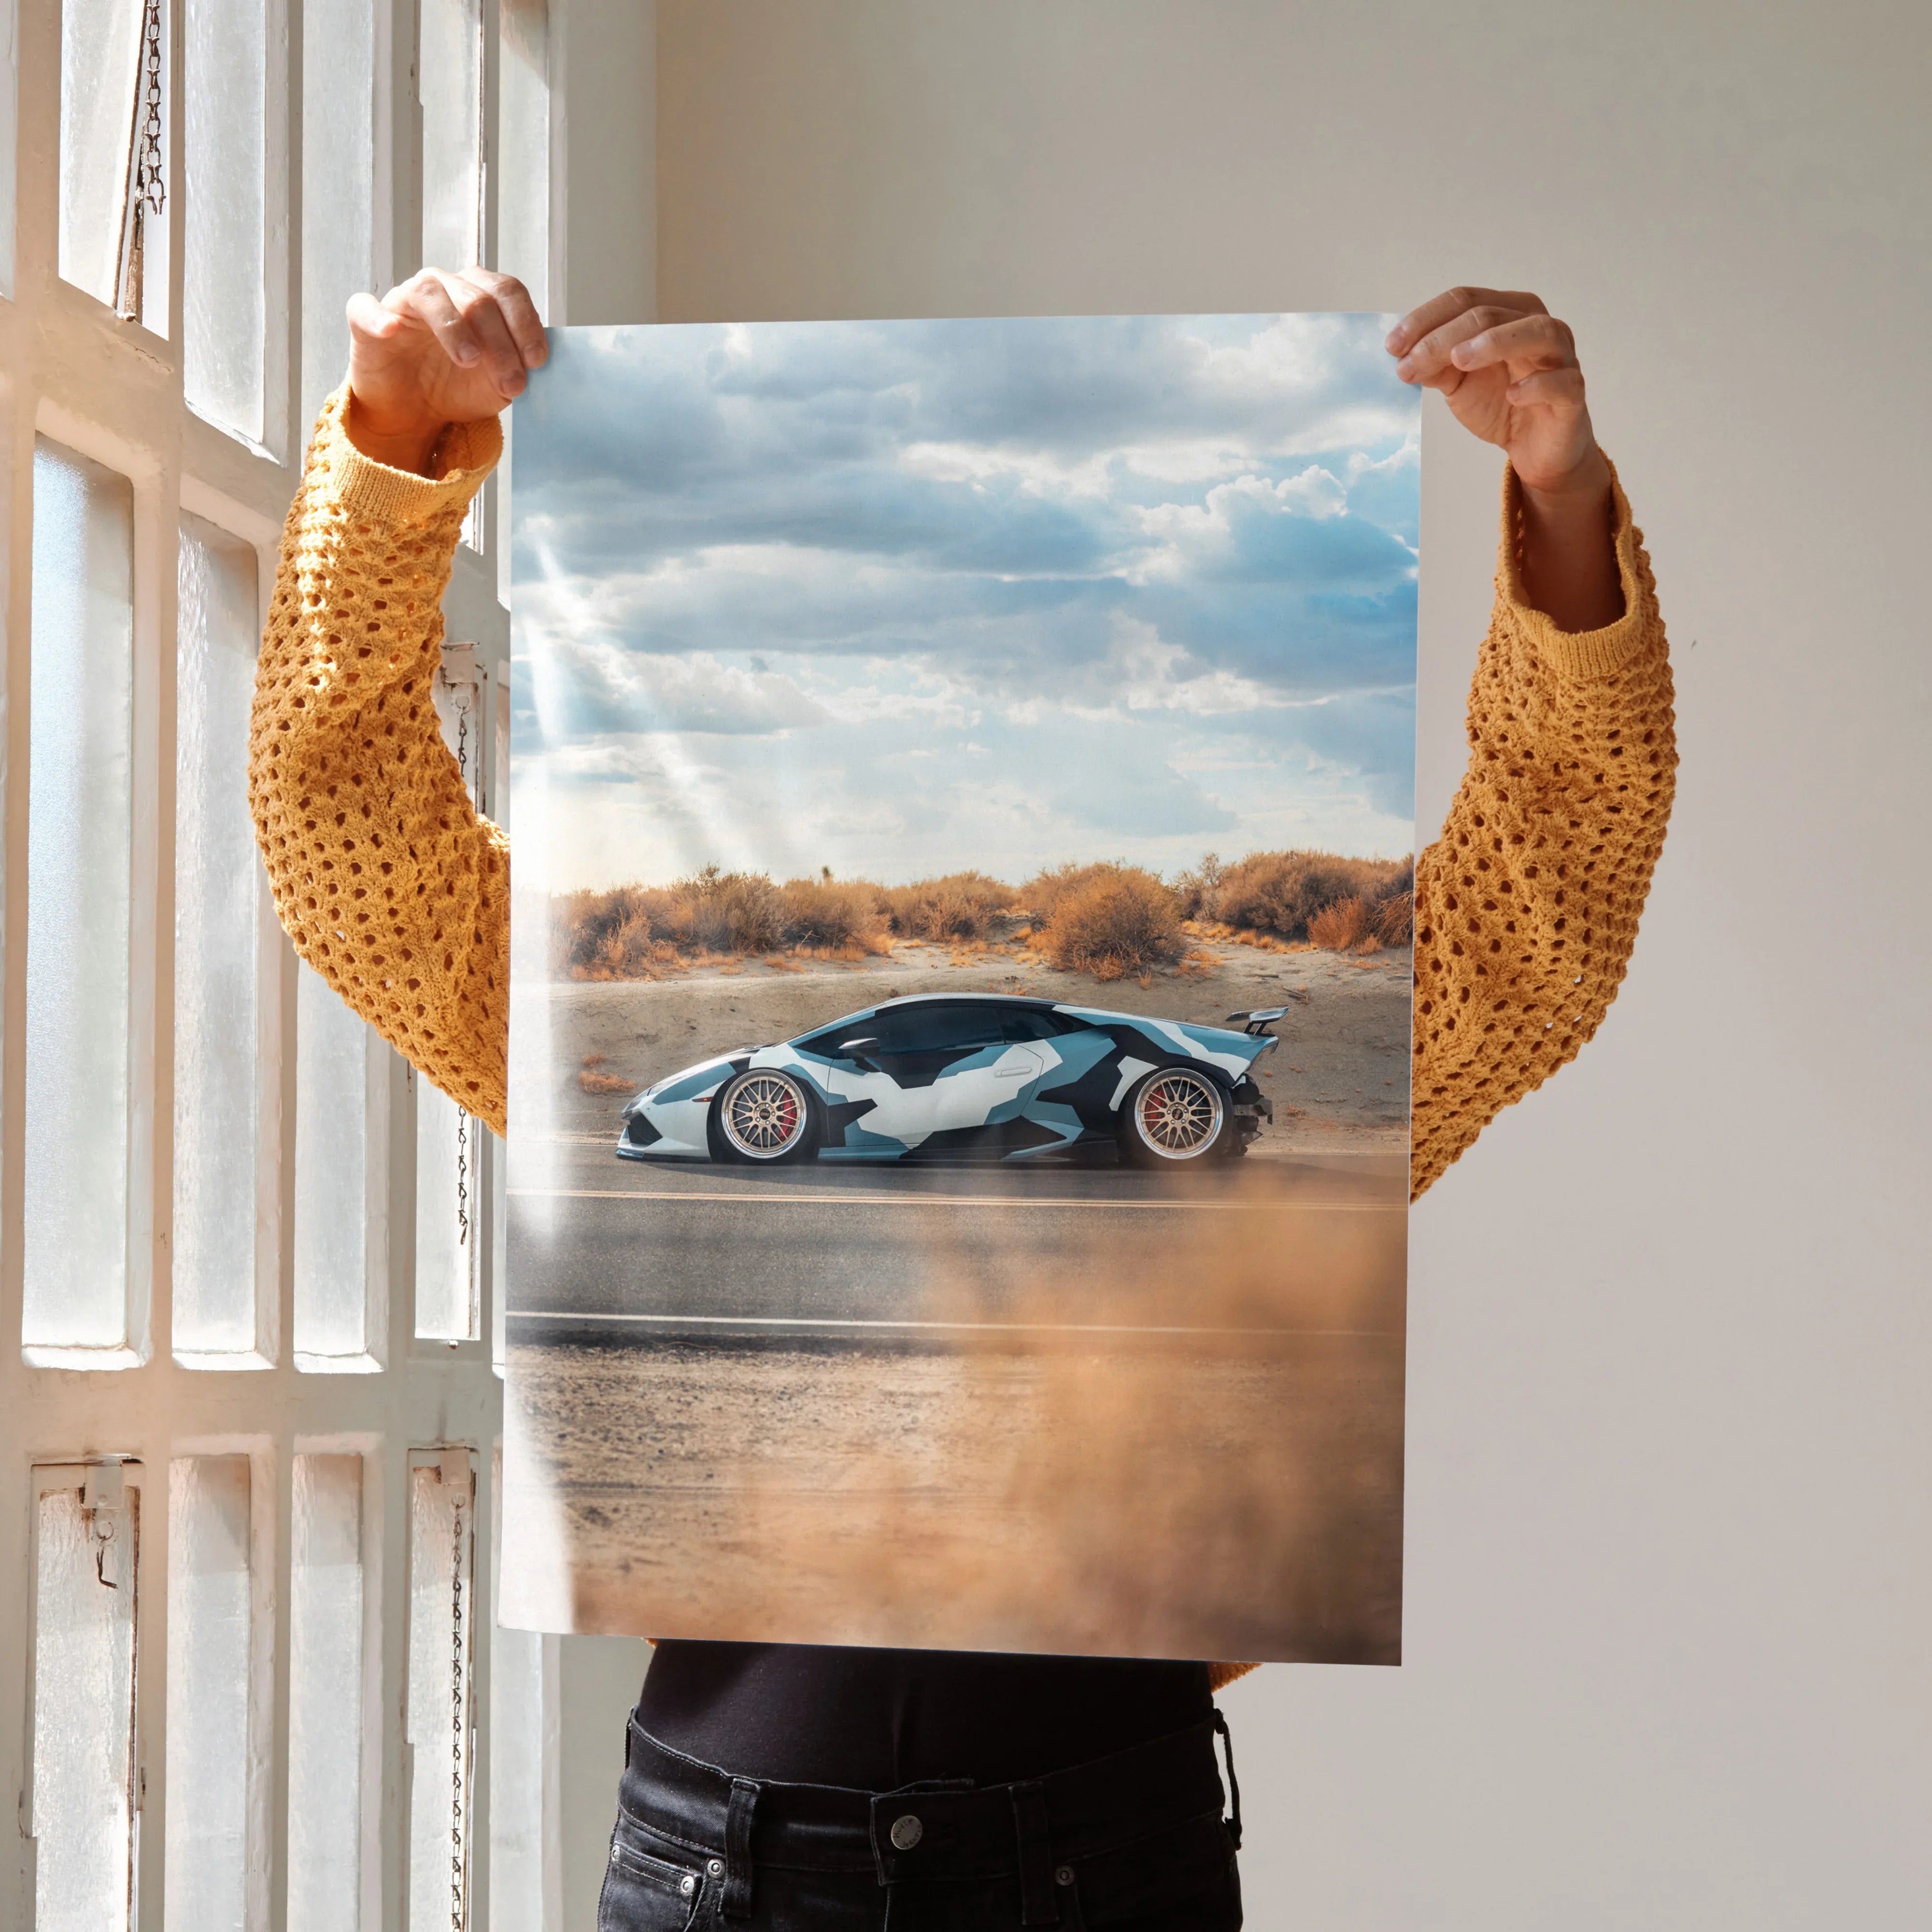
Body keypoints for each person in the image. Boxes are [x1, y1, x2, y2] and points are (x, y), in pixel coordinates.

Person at [250, 270, 1675, 1929]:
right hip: (729, 1865)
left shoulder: (1197, 1122)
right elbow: (348, 847)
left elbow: (1544, 912)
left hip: (1100, 1851)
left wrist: (1560, 498)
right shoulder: (622, 1025)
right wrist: (392, 448)